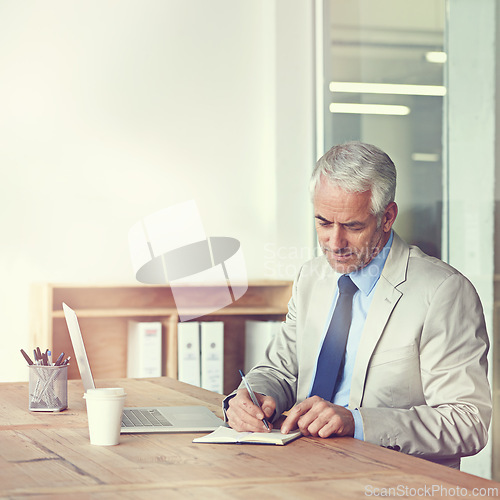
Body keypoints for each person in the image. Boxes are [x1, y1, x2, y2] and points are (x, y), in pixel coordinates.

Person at [224, 141, 491, 469]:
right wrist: (253, 397)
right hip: (300, 467)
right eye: (323, 223)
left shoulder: (443, 293)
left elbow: (468, 423)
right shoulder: (311, 276)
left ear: (387, 217)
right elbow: (278, 370)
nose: (335, 243)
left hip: (389, 481)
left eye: (353, 226)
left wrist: (358, 423)